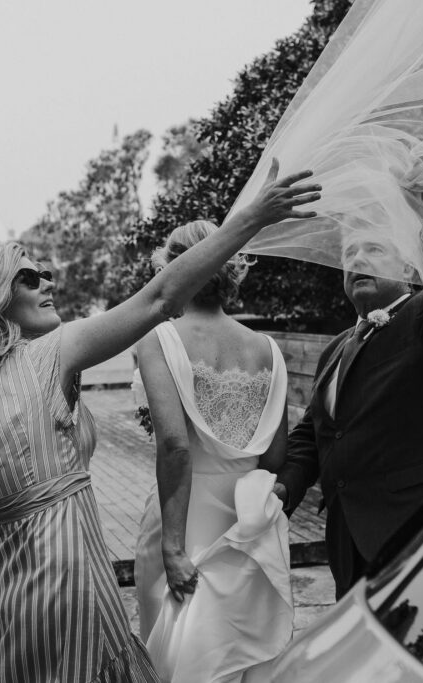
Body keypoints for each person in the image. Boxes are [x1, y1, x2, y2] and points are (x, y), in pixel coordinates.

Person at [0, 162, 319, 682]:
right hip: (68, 582)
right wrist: (252, 218)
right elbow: (161, 298)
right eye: (31, 277)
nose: (50, 282)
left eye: (47, 273)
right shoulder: (52, 355)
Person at [273, 228, 423, 599]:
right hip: (348, 549)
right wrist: (282, 488)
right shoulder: (336, 348)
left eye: (373, 249)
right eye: (349, 253)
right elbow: (315, 433)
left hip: (417, 535)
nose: (357, 259)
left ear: (408, 266)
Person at [134, 221, 293, 682]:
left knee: (176, 653)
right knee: (236, 653)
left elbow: (174, 446)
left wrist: (172, 546)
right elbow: (276, 454)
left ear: (174, 268)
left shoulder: (160, 338)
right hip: (246, 521)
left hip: (183, 517)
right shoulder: (268, 349)